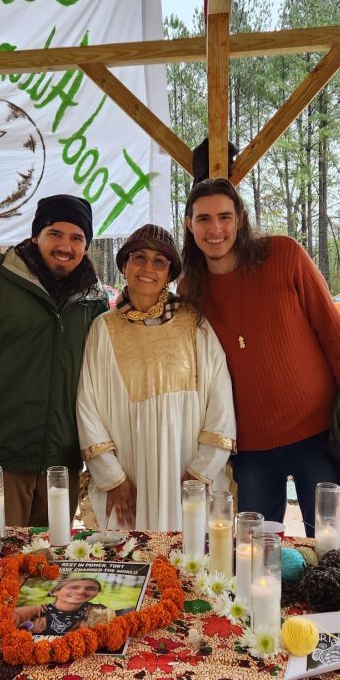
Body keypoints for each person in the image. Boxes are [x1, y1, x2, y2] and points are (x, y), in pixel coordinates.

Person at [178, 178, 340, 539]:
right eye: (203, 219)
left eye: (224, 217)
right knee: (255, 551)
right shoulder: (192, 289)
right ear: (189, 224)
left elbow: (332, 331)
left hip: (315, 431)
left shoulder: (284, 255)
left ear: (241, 219)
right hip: (249, 444)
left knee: (334, 543)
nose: (215, 229)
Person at [0, 194, 109, 527]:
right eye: (55, 233)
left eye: (76, 238)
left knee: (50, 561)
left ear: (86, 245)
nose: (65, 246)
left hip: (62, 460)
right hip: (1, 454)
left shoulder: (92, 298)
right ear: (36, 235)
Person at [77, 225, 235, 531]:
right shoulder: (103, 328)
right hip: (130, 476)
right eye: (139, 258)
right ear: (124, 266)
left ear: (170, 274)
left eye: (159, 262)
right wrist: (111, 477)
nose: (148, 268)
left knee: (189, 565)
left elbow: (220, 393)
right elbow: (87, 405)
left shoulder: (194, 323)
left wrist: (204, 469)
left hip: (187, 472)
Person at [13, 576, 116, 636]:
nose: (81, 591)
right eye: (74, 587)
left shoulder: (100, 612)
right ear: (55, 591)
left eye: (90, 588)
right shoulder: (31, 612)